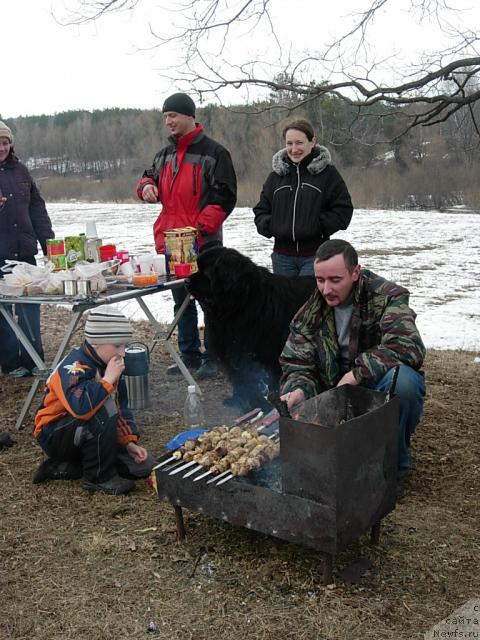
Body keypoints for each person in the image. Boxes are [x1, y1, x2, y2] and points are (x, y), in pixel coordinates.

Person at [279, 239, 426, 489]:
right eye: (320, 280)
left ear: (355, 272)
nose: (326, 290)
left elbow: (408, 345)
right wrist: (300, 389)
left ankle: (394, 465)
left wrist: (357, 374)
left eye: (335, 280)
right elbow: (297, 363)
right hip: (332, 393)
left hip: (374, 386)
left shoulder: (387, 297)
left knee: (405, 384)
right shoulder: (309, 313)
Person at [136, 93, 237, 379]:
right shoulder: (163, 155)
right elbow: (147, 176)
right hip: (170, 242)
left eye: (173, 115)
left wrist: (199, 229)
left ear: (190, 116)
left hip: (204, 243)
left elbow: (225, 197)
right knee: (181, 302)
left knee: (210, 302)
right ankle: (189, 354)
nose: (168, 121)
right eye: (166, 116)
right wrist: (145, 187)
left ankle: (214, 358)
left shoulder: (215, 153)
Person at [32, 307, 156, 495]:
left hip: (84, 431)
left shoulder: (107, 363)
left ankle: (68, 466)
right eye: (117, 346)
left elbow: (120, 407)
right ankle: (98, 478)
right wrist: (107, 380)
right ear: (96, 342)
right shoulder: (74, 366)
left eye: (124, 345)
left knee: (143, 467)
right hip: (54, 433)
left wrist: (128, 442)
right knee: (103, 406)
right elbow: (80, 408)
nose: (122, 352)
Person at [253, 119, 353, 277]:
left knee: (309, 302)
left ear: (313, 142)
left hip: (315, 257)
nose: (294, 149)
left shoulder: (328, 174)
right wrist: (272, 226)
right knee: (286, 302)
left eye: (299, 143)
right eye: (289, 143)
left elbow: (343, 210)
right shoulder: (276, 176)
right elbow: (261, 209)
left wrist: (317, 226)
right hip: (282, 257)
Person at [0, 120, 54, 377]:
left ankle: (34, 361)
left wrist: (48, 244)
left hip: (25, 253)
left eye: (5, 142)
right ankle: (11, 363)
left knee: (30, 307)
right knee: (3, 311)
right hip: (0, 255)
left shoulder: (21, 171)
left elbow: (37, 209)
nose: (1, 147)